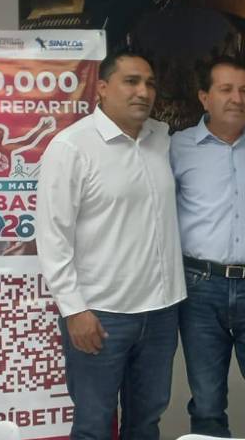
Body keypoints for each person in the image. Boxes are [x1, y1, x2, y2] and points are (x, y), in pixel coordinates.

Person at [36, 50, 185, 440]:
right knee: (94, 426)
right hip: (100, 316)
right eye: (131, 81)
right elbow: (52, 237)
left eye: (150, 83)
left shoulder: (160, 139)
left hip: (160, 312)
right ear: (101, 88)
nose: (143, 92)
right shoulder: (71, 147)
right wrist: (74, 310)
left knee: (146, 423)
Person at [170, 56, 245, 437]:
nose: (237, 98)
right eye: (225, 89)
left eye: (244, 91)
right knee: (207, 404)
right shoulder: (178, 147)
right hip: (201, 288)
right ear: (204, 97)